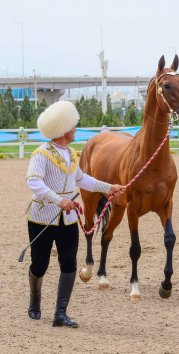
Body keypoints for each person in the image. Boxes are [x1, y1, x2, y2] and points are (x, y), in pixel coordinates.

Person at [25, 101, 126, 328]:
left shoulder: (71, 154)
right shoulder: (41, 154)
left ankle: (60, 314)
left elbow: (81, 179)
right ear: (63, 130)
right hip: (42, 217)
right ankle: (35, 301)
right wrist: (59, 200)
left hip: (68, 219)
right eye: (72, 125)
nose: (76, 128)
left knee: (69, 263)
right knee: (39, 264)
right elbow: (33, 181)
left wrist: (108, 187)